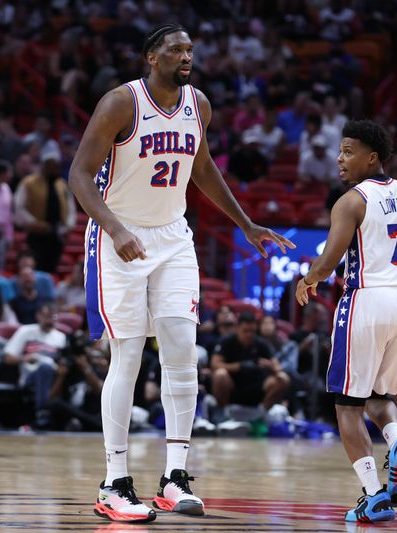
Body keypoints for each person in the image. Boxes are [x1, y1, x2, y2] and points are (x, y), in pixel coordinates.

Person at [67, 24, 294, 523]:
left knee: (181, 353)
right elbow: (78, 175)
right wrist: (114, 227)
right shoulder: (120, 103)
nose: (186, 56)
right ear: (151, 56)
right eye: (175, 49)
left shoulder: (199, 105)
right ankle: (114, 483)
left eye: (190, 49)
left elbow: (203, 167)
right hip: (117, 237)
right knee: (127, 355)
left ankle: (174, 477)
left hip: (173, 237)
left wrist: (247, 224)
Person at [295, 120, 397, 523]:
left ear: (373, 157)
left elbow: (328, 263)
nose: (340, 159)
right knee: (380, 397)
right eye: (340, 151)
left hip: (367, 300)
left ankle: (373, 496)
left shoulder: (352, 201)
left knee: (347, 405)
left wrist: (307, 279)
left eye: (348, 151)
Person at [3, 303, 67, 428]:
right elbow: (7, 358)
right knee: (44, 368)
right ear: (38, 316)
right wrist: (24, 358)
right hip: (30, 377)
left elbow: (62, 363)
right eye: (46, 317)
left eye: (52, 317)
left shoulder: (61, 337)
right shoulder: (25, 331)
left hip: (54, 377)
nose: (49, 321)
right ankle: (42, 412)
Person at [210, 312, 290, 411]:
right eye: (245, 331)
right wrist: (239, 366)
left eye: (252, 331)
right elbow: (214, 364)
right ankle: (222, 413)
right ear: (237, 328)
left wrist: (268, 365)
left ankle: (263, 414)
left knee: (283, 378)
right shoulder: (226, 341)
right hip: (233, 385)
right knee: (220, 374)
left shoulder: (261, 343)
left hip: (257, 385)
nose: (249, 335)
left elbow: (278, 368)